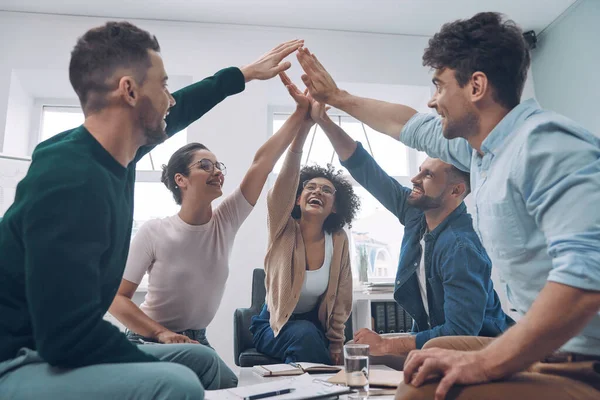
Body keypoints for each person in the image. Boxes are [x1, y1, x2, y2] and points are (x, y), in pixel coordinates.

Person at [297, 11, 600, 400]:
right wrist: (335, 99)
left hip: (584, 360)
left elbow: (586, 279)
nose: (432, 99)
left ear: (476, 86)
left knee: (422, 390)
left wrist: (485, 364)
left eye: (439, 86)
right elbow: (403, 124)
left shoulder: (544, 144)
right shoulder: (480, 153)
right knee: (421, 369)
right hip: (544, 349)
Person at [0, 20, 302, 400]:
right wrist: (153, 352)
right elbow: (66, 336)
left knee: (204, 363)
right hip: (19, 359)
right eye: (163, 86)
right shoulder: (71, 176)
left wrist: (242, 75)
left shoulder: (116, 157)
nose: (170, 99)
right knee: (178, 383)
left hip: (49, 348)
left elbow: (183, 109)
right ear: (128, 91)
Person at [108, 74, 320, 388]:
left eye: (218, 166)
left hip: (196, 342)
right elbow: (117, 299)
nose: (217, 172)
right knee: (208, 369)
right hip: (147, 341)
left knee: (230, 386)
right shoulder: (155, 231)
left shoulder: (225, 220)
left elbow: (261, 164)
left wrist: (299, 115)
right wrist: (162, 334)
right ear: (181, 179)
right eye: (205, 166)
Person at [304, 96, 512, 357]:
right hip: (443, 348)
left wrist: (387, 345)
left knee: (377, 357)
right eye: (420, 170)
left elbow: (461, 333)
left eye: (428, 175)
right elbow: (364, 168)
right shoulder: (416, 213)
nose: (415, 178)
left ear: (456, 190)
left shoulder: (461, 247)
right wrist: (324, 121)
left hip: (485, 353)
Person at [249, 73, 360, 366]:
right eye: (309, 187)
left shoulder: (338, 240)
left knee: (312, 338)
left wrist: (337, 343)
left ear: (335, 207)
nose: (317, 192)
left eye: (327, 190)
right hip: (272, 325)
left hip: (315, 328)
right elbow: (281, 188)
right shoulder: (283, 227)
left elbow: (343, 296)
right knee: (304, 336)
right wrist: (303, 129)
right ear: (297, 198)